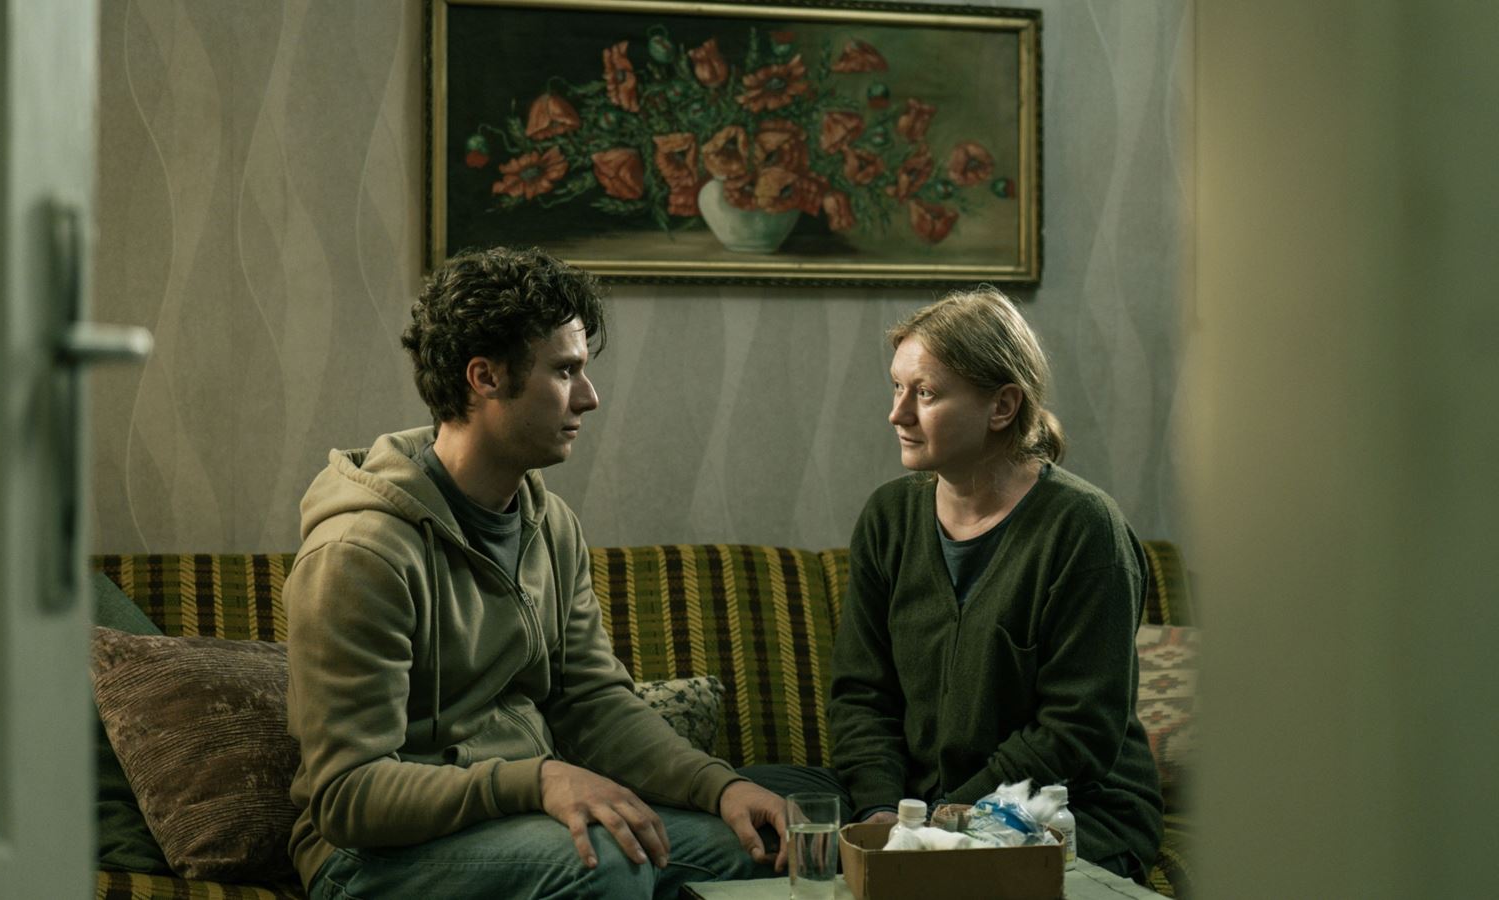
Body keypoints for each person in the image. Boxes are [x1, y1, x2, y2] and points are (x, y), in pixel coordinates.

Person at [283, 247, 787, 900]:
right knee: (609, 865)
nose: (590, 397)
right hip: (368, 858)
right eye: (566, 370)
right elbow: (347, 796)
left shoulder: (551, 527)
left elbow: (593, 704)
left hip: (517, 820)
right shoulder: (361, 553)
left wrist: (722, 787)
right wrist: (539, 779)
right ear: (485, 377)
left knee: (765, 850)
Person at [744, 285, 1162, 880]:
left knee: (955, 881)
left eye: (926, 393)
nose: (897, 414)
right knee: (748, 803)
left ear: (1002, 406)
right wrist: (880, 809)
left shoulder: (1084, 530)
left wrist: (941, 825)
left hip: (1063, 810)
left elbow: (1076, 730)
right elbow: (862, 696)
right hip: (913, 804)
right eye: (897, 387)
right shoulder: (889, 517)